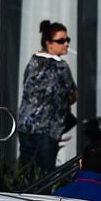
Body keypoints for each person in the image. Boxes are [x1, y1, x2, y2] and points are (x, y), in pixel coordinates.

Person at [17, 20, 78, 176]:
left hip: (26, 125)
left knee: (27, 171)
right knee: (44, 174)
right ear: (48, 43)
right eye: (61, 41)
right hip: (48, 129)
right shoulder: (60, 66)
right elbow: (72, 94)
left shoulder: (33, 62)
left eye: (67, 40)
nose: (66, 44)